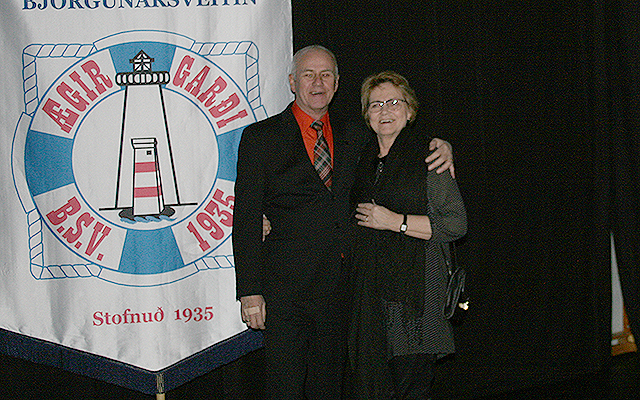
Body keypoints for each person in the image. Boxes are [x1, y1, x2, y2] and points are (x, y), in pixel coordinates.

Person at [232, 46, 453, 400]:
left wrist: (441, 146)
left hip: (341, 292)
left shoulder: (357, 134)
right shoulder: (261, 138)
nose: (317, 83)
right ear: (292, 82)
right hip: (285, 294)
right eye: (308, 75)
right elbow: (244, 218)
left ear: (336, 84)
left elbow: (397, 140)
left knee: (330, 390)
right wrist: (250, 292)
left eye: (326, 75)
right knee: (284, 390)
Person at [347, 71, 467, 400]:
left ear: (410, 109)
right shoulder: (361, 161)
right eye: (375, 105)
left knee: (411, 389)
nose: (384, 110)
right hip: (371, 297)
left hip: (416, 298)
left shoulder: (430, 157)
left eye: (393, 102)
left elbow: (456, 224)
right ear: (367, 115)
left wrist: (394, 221)